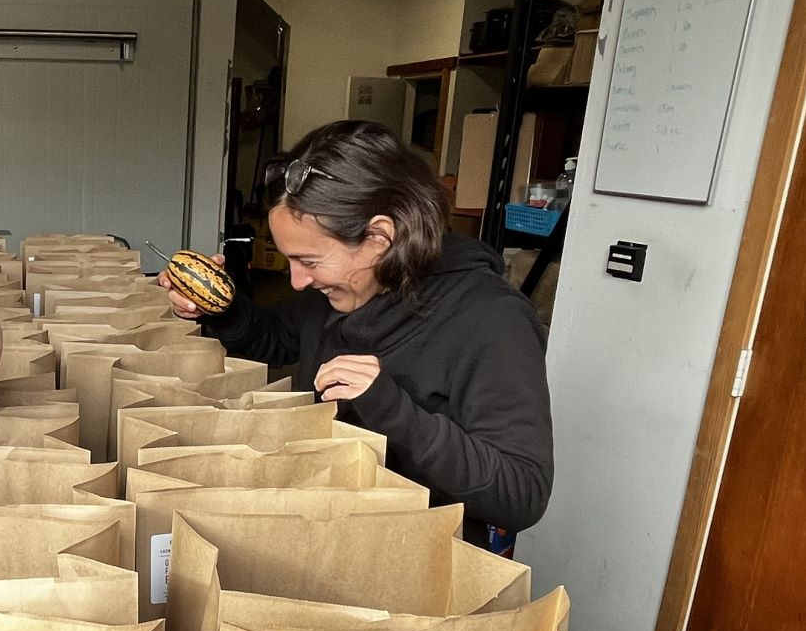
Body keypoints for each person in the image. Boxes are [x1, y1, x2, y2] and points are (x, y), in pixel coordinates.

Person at [160, 119, 553, 549]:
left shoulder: (491, 319)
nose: (296, 280)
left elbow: (522, 495)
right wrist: (220, 307)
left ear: (379, 237)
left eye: (309, 261)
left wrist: (390, 408)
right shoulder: (341, 292)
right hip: (330, 540)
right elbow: (275, 338)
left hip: (420, 566)